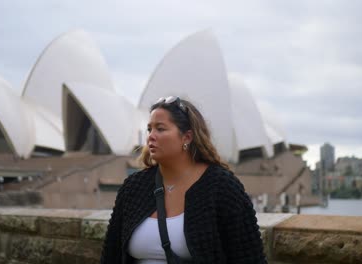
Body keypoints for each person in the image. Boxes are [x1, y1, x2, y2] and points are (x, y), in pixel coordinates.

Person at [101, 96, 267, 263]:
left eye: (160, 129)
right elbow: (111, 255)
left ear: (187, 137)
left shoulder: (221, 187)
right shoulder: (134, 187)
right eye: (149, 129)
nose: (151, 136)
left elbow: (249, 257)